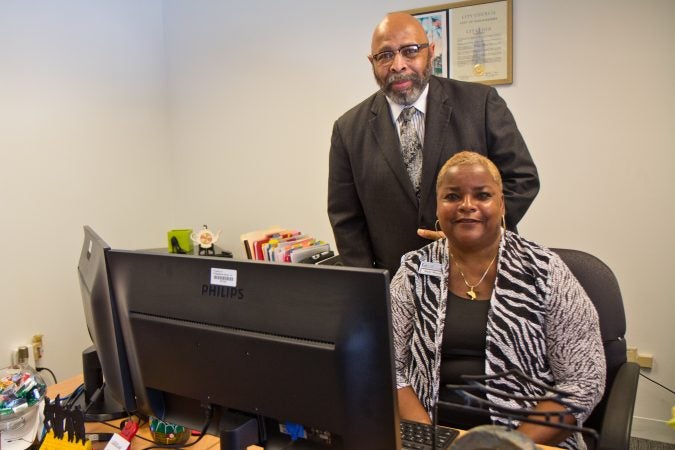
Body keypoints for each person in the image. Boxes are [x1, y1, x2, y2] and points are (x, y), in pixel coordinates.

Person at [390, 151, 605, 449]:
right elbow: (390, 367)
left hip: (526, 439)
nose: (467, 206)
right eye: (452, 196)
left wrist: (510, 445)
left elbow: (582, 382)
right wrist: (428, 439)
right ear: (437, 206)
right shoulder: (414, 269)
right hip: (434, 432)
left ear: (502, 204)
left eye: (482, 195)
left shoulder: (544, 269)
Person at [328, 12, 539, 277]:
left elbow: (522, 179)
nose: (398, 65)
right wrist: (367, 289)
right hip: (398, 283)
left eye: (410, 51)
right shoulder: (348, 129)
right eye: (385, 55)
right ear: (372, 62)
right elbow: (346, 218)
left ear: (431, 52)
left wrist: (477, 230)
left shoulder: (481, 104)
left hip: (481, 271)